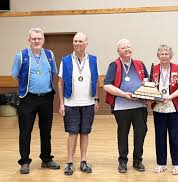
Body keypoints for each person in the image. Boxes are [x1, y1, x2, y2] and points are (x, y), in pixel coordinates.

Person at [11, 27, 60, 174]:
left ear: (43, 40)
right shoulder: (20, 56)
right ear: (29, 40)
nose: (37, 41)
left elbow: (54, 73)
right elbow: (15, 75)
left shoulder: (50, 54)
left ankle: (46, 159)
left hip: (46, 98)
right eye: (34, 38)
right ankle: (24, 161)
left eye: (39, 38)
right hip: (28, 98)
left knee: (46, 131)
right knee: (25, 132)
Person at [104, 39, 148, 173]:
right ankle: (123, 160)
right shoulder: (114, 65)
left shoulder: (139, 64)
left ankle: (137, 160)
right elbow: (107, 85)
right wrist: (124, 94)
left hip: (140, 106)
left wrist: (144, 93)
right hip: (121, 107)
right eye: (124, 48)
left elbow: (147, 81)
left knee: (140, 133)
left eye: (129, 47)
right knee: (123, 134)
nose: (127, 50)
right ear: (118, 51)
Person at [58, 32, 99, 175]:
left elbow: (96, 81)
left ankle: (83, 161)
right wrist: (62, 103)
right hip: (70, 103)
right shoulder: (65, 60)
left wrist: (96, 99)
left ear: (86, 43)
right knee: (72, 133)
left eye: (80, 41)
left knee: (85, 132)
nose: (77, 43)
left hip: (88, 102)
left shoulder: (93, 60)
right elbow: (60, 83)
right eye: (75, 41)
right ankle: (69, 162)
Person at [151, 44, 178, 175]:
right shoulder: (153, 69)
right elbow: (149, 87)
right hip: (158, 108)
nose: (164, 56)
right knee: (160, 136)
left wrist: (169, 97)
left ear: (171, 56)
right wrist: (155, 97)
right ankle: (161, 163)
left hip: (173, 107)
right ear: (158, 56)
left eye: (166, 54)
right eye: (162, 54)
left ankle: (176, 164)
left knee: (175, 136)